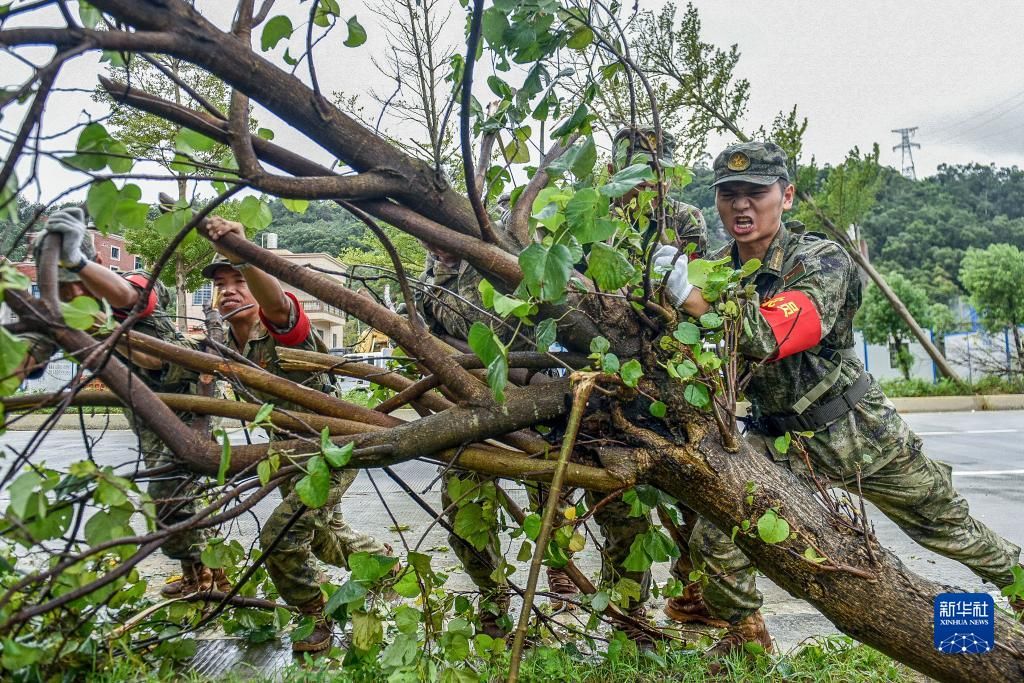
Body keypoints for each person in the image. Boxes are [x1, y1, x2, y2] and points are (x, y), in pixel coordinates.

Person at [655, 140, 1023, 662]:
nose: (741, 205)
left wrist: (687, 296)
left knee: (949, 529)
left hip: (857, 430)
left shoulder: (820, 258)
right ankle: (744, 639)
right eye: (729, 194)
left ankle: (1020, 590)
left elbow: (773, 334)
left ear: (786, 196)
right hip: (777, 438)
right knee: (718, 535)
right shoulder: (715, 271)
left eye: (755, 192)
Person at [203, 216, 392, 653]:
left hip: (331, 450)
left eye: (238, 280)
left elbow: (277, 306)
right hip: (288, 453)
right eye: (222, 284)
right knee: (325, 540)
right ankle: (383, 565)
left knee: (282, 537)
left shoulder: (281, 327)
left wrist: (243, 253)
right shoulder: (228, 345)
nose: (229, 289)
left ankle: (316, 614)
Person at [26, 208, 226, 596]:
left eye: (79, 281)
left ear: (96, 265)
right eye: (64, 284)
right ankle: (200, 574)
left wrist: (78, 264)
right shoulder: (65, 312)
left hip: (185, 395)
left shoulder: (129, 287)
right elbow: (29, 360)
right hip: (145, 407)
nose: (74, 294)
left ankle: (210, 574)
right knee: (174, 493)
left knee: (170, 491)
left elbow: (133, 294)